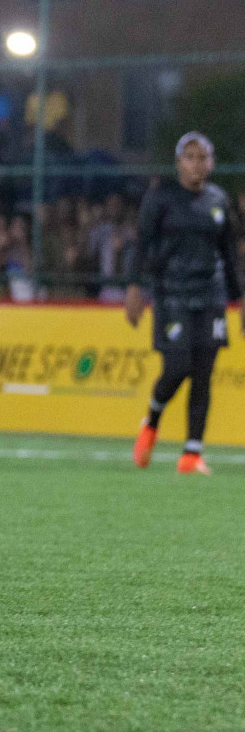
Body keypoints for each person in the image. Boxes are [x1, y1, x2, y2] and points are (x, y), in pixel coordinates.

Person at [126, 133, 241, 475]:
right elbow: (141, 243)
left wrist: (240, 298)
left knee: (204, 372)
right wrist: (133, 287)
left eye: (202, 157)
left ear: (212, 162)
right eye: (190, 157)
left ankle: (192, 454)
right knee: (178, 367)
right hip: (172, 295)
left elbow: (229, 255)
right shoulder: (161, 199)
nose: (196, 163)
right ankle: (153, 419)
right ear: (179, 163)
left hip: (211, 295)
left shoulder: (219, 200)